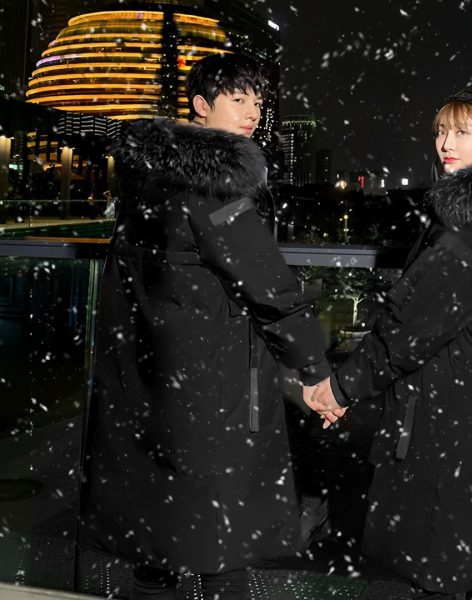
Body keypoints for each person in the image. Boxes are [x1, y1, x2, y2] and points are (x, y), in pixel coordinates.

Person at [77, 53, 330, 600]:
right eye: (237, 100)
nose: (253, 113)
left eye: (258, 102)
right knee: (223, 549)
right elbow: (270, 287)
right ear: (200, 105)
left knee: (157, 545)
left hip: (149, 378)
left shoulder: (146, 179)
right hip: (209, 388)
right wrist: (314, 368)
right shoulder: (214, 185)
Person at [308, 89, 472, 599]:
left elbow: (410, 327)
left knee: (438, 566)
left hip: (450, 426)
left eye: (462, 132)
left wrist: (340, 389)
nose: (446, 143)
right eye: (441, 131)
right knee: (459, 564)